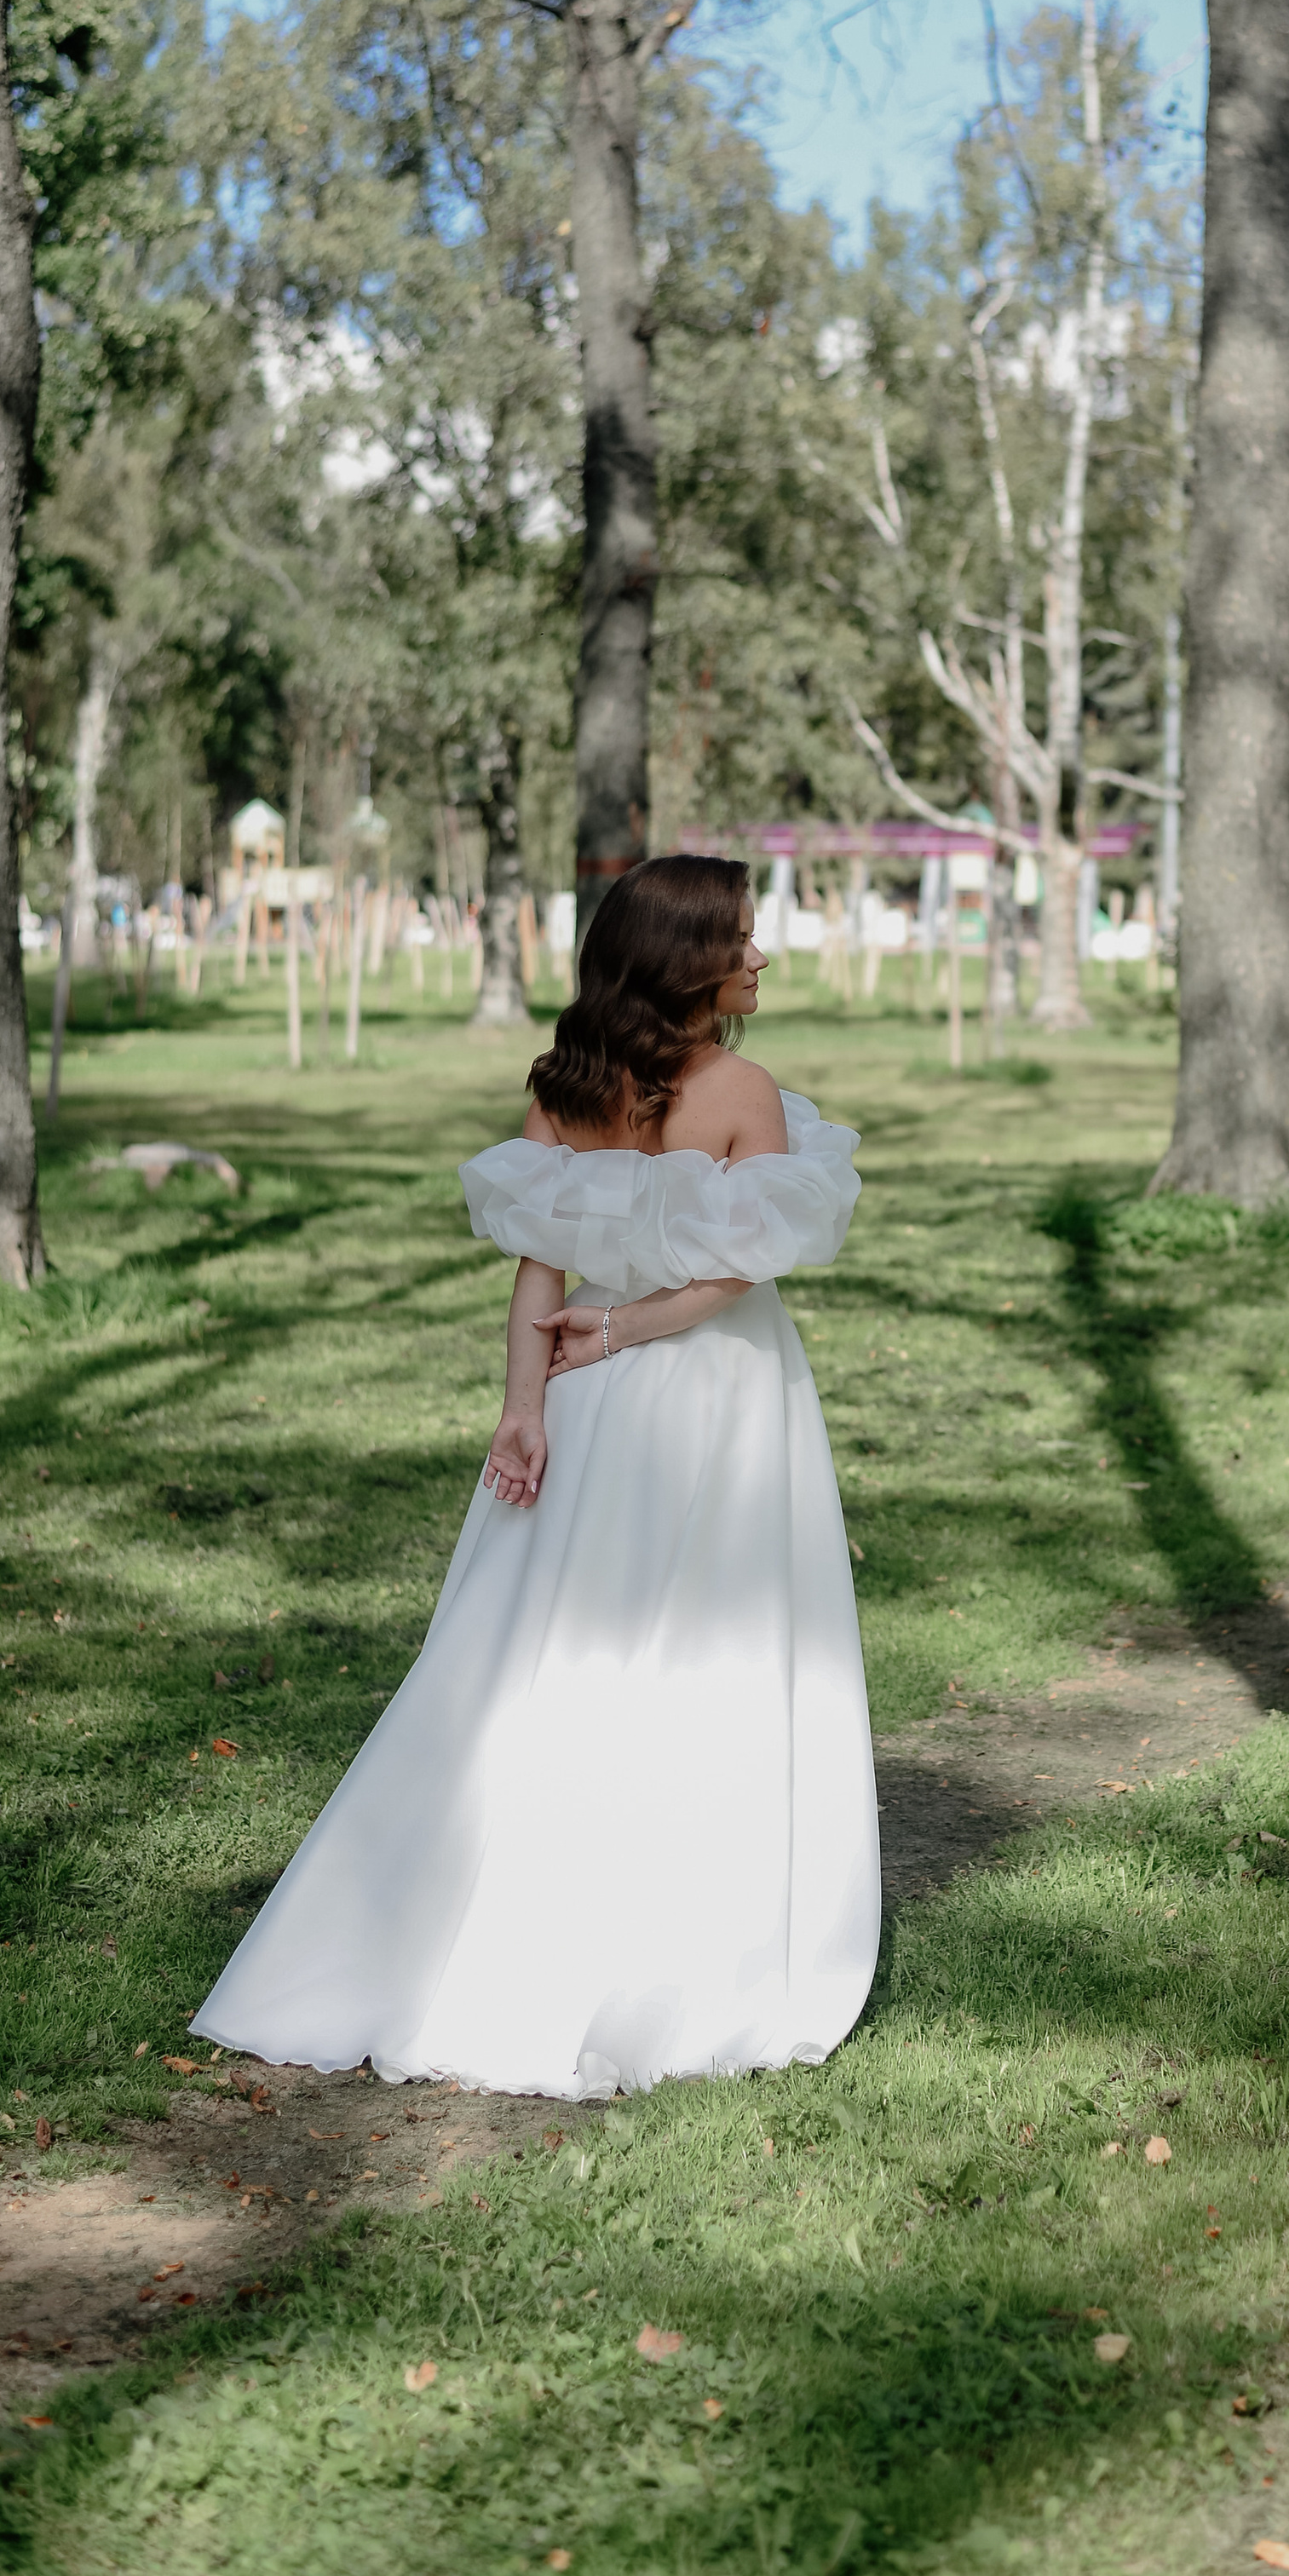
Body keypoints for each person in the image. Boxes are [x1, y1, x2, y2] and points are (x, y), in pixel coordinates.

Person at [193, 854, 880, 2098]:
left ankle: (483, 1921)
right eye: (743, 937)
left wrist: (527, 1404)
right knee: (706, 1640)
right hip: (711, 1389)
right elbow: (740, 1268)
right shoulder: (740, 1089)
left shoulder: (569, 1090)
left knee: (544, 1645)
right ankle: (679, 1936)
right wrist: (599, 1348)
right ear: (690, 962)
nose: (763, 957)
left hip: (588, 1398)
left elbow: (538, 1266)